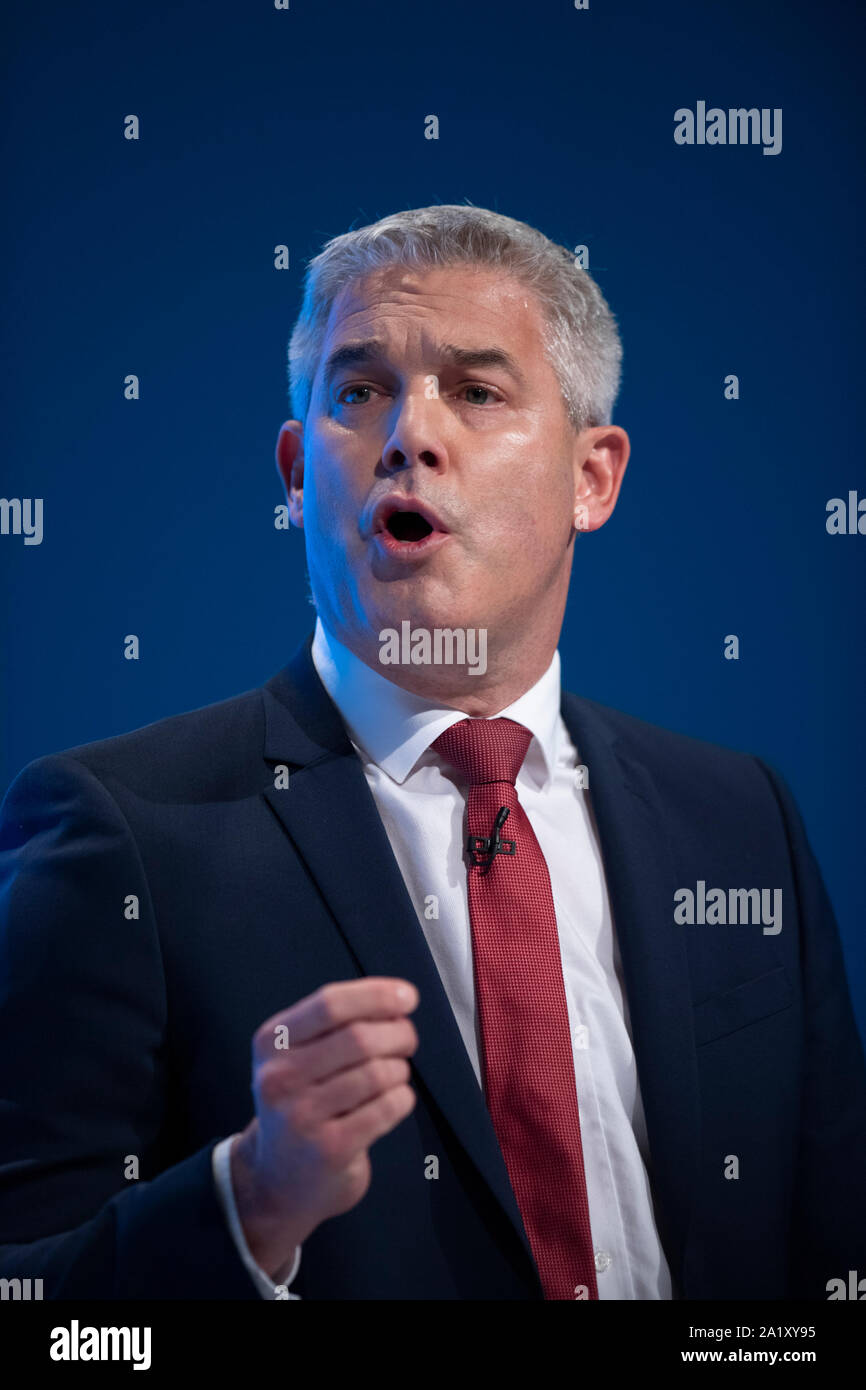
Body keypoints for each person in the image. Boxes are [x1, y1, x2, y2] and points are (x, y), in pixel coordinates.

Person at [1, 205, 864, 1301]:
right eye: (358, 393)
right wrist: (248, 1200)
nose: (409, 433)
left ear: (589, 478)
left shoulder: (742, 820)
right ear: (296, 472)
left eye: (474, 390)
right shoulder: (119, 829)